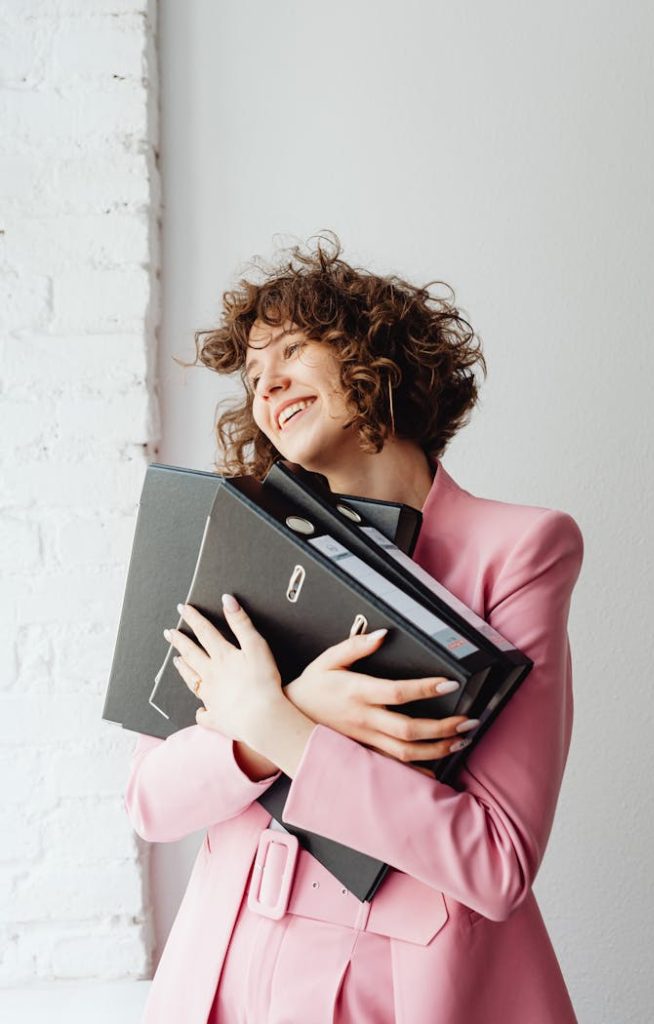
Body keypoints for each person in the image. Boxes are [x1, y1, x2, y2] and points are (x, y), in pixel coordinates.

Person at [125, 232, 584, 1023]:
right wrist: (276, 723)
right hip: (219, 979)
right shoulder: (228, 539)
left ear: (375, 357)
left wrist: (285, 721)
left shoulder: (519, 551)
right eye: (255, 376)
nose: (268, 385)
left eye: (292, 351)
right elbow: (149, 801)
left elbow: (496, 863)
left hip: (396, 990)